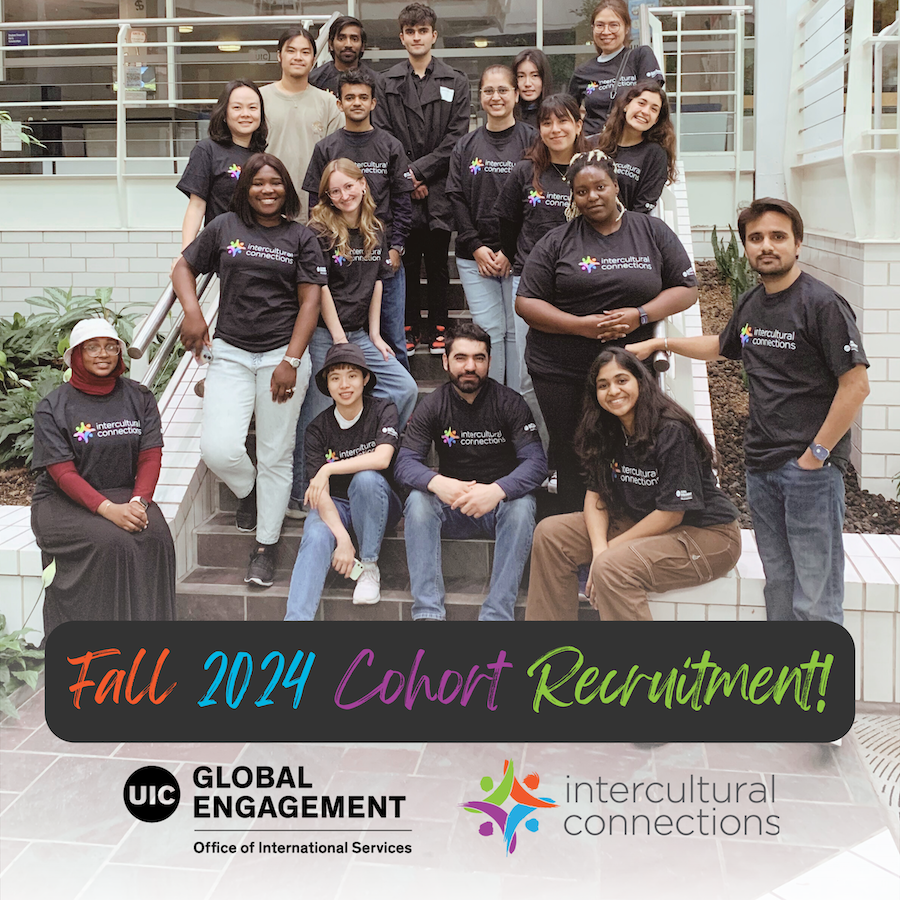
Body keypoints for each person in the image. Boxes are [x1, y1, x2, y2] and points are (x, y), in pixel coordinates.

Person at [628, 198, 870, 624]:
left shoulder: (822, 304)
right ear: (745, 247)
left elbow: (855, 386)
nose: (766, 246)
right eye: (756, 238)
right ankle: (784, 681)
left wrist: (816, 455)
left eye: (778, 236)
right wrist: (660, 343)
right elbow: (722, 346)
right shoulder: (752, 302)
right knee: (778, 580)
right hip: (761, 465)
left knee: (815, 592)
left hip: (809, 470)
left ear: (798, 243)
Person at [172, 152, 326, 587]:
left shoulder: (300, 236)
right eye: (258, 183)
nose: (267, 190)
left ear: (287, 188)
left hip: (282, 354)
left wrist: (291, 361)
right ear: (245, 188)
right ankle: (251, 491)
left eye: (275, 182)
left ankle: (266, 544)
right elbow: (184, 266)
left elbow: (310, 302)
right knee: (218, 448)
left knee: (277, 453)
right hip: (231, 353)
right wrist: (193, 313)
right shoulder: (224, 227)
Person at [515, 149, 697, 512]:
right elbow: (526, 302)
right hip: (561, 369)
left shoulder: (651, 231)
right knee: (572, 452)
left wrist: (640, 315)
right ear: (574, 197)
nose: (592, 197)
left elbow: (686, 290)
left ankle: (624, 532)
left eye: (600, 187)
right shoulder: (557, 241)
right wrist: (579, 326)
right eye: (581, 192)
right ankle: (574, 537)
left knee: (628, 448)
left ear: (616, 186)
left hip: (628, 370)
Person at [526, 347, 742, 620]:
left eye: (621, 380)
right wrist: (598, 548)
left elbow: (672, 514)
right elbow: (596, 494)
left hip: (707, 534)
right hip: (643, 521)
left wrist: (608, 554)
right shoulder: (606, 429)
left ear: (640, 380)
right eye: (603, 385)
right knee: (550, 535)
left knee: (612, 567)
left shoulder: (671, 430)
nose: (613, 391)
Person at [31, 318, 175, 637]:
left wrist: (139, 501)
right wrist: (109, 509)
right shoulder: (53, 407)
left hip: (124, 493)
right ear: (76, 355)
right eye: (92, 347)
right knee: (113, 542)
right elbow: (62, 473)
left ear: (120, 354)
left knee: (157, 536)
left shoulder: (139, 397)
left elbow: (150, 454)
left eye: (111, 346)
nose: (103, 354)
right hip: (61, 503)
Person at [290, 158, 418, 515]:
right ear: (327, 197)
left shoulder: (376, 228)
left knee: (405, 389)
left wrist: (376, 336)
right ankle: (303, 491)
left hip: (360, 334)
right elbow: (321, 289)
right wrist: (337, 339)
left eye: (349, 186)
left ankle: (371, 450)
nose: (344, 195)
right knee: (316, 412)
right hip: (324, 335)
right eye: (335, 190)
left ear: (363, 185)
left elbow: (377, 282)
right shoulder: (318, 232)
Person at [395, 323, 547, 621]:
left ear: (489, 361)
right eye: (461, 357)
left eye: (479, 358)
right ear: (445, 361)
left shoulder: (509, 403)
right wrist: (437, 482)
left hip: (498, 507)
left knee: (523, 505)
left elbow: (536, 463)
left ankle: (496, 615)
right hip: (454, 505)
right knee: (417, 501)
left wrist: (497, 490)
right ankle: (427, 613)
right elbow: (404, 462)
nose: (470, 366)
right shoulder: (433, 405)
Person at [304, 68, 415, 370]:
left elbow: (403, 202)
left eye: (363, 97)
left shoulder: (390, 145)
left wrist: (396, 248)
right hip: (338, 265)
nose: (356, 103)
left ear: (374, 103)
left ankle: (394, 413)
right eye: (349, 97)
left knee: (391, 340)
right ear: (338, 103)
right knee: (340, 346)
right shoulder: (325, 148)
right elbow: (317, 205)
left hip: (380, 257)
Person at [495, 93, 587, 446]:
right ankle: (541, 454)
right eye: (547, 122)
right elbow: (507, 221)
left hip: (580, 286)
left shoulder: (592, 170)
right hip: (531, 287)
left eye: (563, 121)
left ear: (578, 125)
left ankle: (575, 455)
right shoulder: (525, 172)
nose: (555, 129)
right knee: (528, 375)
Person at [378, 3, 470, 355]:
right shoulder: (386, 82)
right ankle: (409, 325)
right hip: (401, 188)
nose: (417, 37)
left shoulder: (456, 81)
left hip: (439, 187)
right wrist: (406, 178)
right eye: (410, 31)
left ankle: (440, 326)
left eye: (423, 31)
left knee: (437, 263)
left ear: (433, 35)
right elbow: (385, 135)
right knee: (407, 259)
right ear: (402, 37)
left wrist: (419, 173)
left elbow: (456, 137)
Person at [285, 343, 402, 619]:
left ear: (365, 379)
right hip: (335, 505)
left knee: (365, 480)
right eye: (335, 377)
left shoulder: (384, 410)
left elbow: (383, 458)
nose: (344, 384)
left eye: (352, 375)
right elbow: (320, 495)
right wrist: (343, 541)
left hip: (380, 502)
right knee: (315, 534)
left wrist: (328, 469)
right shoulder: (317, 429)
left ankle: (369, 568)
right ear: (327, 384)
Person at [446, 64, 535, 388]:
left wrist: (510, 250)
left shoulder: (532, 141)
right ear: (479, 97)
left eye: (502, 90)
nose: (495, 97)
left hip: (521, 259)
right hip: (475, 259)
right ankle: (494, 403)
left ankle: (518, 407)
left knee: (518, 334)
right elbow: (455, 198)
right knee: (490, 333)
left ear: (515, 95)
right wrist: (476, 247)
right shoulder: (465, 146)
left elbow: (536, 202)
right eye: (488, 91)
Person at [175, 79, 268, 259]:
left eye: (252, 108)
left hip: (258, 249)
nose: (245, 114)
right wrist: (186, 255)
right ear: (224, 113)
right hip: (225, 250)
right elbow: (196, 206)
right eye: (237, 108)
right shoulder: (207, 150)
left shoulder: (261, 157)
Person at [261, 26, 344, 223]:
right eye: (291, 50)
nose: (298, 57)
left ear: (313, 60)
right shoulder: (259, 99)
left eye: (305, 52)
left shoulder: (329, 103)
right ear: (279, 56)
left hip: (316, 210)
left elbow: (337, 158)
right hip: (267, 204)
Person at [568, 1, 664, 136]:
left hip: (630, 144)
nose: (606, 32)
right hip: (593, 147)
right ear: (593, 28)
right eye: (600, 25)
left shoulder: (640, 56)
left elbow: (651, 99)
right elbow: (567, 113)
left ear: (626, 28)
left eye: (614, 25)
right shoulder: (583, 72)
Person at [591, 80, 675, 213]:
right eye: (641, 103)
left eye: (654, 109)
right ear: (626, 105)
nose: (645, 111)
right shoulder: (593, 144)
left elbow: (642, 210)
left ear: (656, 120)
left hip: (627, 229)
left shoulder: (655, 155)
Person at [308, 15, 385, 107]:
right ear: (331, 44)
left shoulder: (377, 81)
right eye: (341, 38)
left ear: (362, 46)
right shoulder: (314, 80)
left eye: (354, 39)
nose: (348, 44)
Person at [512, 48, 553, 128]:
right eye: (521, 76)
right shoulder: (508, 117)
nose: (527, 83)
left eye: (534, 75)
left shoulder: (556, 113)